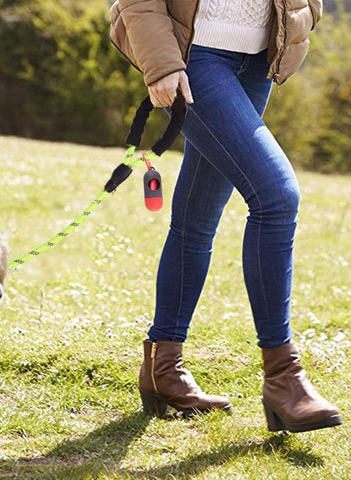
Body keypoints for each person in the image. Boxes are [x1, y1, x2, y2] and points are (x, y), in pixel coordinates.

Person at [110, 0, 343, 432]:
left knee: (196, 219)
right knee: (276, 197)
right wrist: (160, 63)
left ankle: (164, 366)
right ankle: (283, 378)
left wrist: (304, 16)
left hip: (257, 60)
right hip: (192, 55)